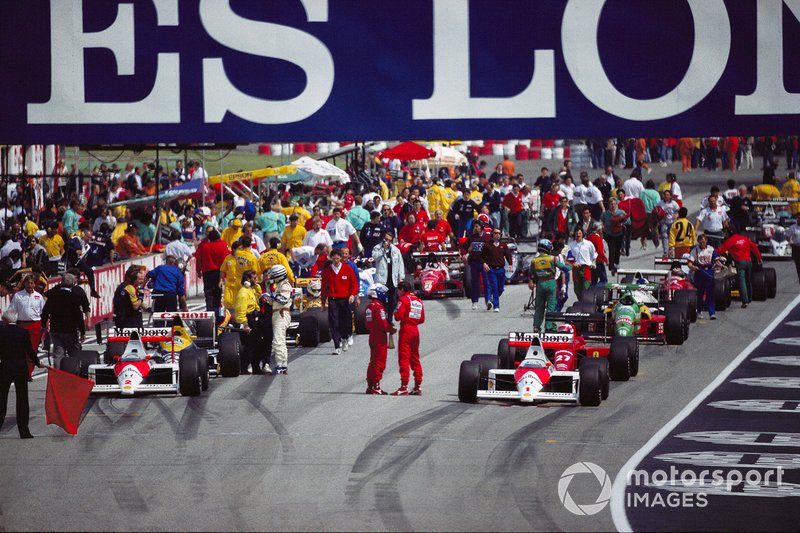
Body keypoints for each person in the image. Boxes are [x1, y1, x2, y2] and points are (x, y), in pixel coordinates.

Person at [0, 309, 44, 439]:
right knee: (22, 400)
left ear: (5, 320)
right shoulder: (23, 332)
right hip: (20, 368)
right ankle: (24, 431)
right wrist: (37, 363)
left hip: (5, 368)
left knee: (2, 399)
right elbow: (29, 351)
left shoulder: (1, 332)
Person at [41, 272, 87, 368]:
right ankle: (74, 373)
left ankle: (58, 374)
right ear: (72, 284)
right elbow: (79, 316)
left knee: (58, 354)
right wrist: (82, 331)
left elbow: (45, 311)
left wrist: (43, 325)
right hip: (70, 330)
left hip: (55, 329)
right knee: (73, 353)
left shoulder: (53, 296)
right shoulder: (74, 297)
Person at [321, 248, 359, 355]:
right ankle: (337, 345)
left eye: (338, 259)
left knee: (345, 320)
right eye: (334, 259)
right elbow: (324, 288)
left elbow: (354, 283)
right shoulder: (327, 271)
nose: (336, 261)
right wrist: (323, 303)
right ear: (331, 259)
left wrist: (352, 294)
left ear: (341, 258)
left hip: (345, 299)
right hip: (333, 299)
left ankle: (345, 337)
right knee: (334, 322)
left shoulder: (347, 269)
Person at [528, 239, 570, 331]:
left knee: (539, 307)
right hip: (551, 283)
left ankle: (536, 327)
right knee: (551, 306)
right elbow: (564, 268)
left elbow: (531, 274)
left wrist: (531, 281)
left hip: (540, 284)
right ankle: (549, 327)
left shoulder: (534, 261)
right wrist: (571, 266)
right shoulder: (552, 258)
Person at [391, 280, 424, 396]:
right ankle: (417, 386)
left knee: (404, 358)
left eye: (398, 290)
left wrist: (395, 313)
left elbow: (398, 316)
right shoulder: (418, 300)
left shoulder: (403, 299)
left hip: (406, 330)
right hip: (415, 330)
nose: (397, 293)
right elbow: (422, 319)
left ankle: (404, 386)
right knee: (415, 359)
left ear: (402, 289)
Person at [9, 275, 45, 379]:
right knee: (20, 350)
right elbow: (12, 310)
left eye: (32, 283)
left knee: (32, 350)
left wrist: (45, 326)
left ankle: (29, 373)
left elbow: (43, 313)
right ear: (24, 283)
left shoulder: (39, 297)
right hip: (21, 325)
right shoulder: (18, 296)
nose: (30, 285)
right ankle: (20, 372)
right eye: (28, 283)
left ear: (34, 284)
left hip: (35, 325)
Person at [717, 231, 763, 309]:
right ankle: (749, 298)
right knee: (748, 280)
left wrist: (711, 253)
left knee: (742, 281)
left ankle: (745, 301)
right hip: (749, 261)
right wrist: (759, 258)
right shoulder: (745, 238)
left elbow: (720, 250)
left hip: (740, 262)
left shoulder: (731, 240)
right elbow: (754, 247)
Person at [262, 265, 292, 375]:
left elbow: (283, 300)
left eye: (273, 275)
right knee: (281, 340)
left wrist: (273, 295)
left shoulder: (284, 285)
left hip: (281, 313)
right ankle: (283, 364)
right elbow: (273, 301)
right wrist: (268, 294)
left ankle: (280, 365)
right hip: (277, 313)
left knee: (278, 340)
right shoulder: (279, 285)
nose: (271, 277)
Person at [365, 283, 394, 395]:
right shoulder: (379, 307)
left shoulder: (369, 306)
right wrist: (390, 329)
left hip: (372, 335)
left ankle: (370, 385)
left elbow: (367, 324)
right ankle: (376, 386)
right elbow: (383, 324)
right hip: (380, 337)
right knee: (380, 362)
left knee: (372, 362)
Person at [688, 234, 723, 320]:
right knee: (700, 293)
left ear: (706, 241)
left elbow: (716, 260)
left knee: (710, 293)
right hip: (700, 271)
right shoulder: (695, 250)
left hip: (709, 272)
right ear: (698, 242)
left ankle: (712, 313)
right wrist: (693, 267)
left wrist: (720, 265)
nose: (702, 243)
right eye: (701, 242)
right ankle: (699, 311)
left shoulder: (711, 249)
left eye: (704, 241)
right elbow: (689, 263)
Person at [234, 269, 263, 374]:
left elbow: (259, 295)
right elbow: (240, 310)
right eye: (254, 278)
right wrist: (245, 325)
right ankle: (244, 367)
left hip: (255, 319)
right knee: (249, 345)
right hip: (249, 320)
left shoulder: (251, 290)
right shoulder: (243, 293)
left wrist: (256, 285)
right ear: (247, 279)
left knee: (257, 344)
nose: (257, 280)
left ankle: (255, 367)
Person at [195, 227, 230, 311]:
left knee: (208, 293)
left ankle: (209, 310)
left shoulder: (204, 247)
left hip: (207, 272)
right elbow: (226, 258)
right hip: (218, 272)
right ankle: (217, 310)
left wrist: (198, 270)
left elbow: (199, 258)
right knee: (218, 292)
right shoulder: (222, 245)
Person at [371, 232, 405, 318]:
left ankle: (390, 318)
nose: (388, 242)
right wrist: (383, 250)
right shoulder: (377, 248)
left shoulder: (396, 250)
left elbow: (400, 264)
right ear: (383, 239)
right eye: (386, 239)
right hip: (382, 279)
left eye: (390, 240)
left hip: (392, 279)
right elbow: (375, 257)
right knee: (381, 300)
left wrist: (401, 277)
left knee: (392, 301)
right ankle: (382, 318)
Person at [481, 228, 513, 312]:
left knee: (500, 289)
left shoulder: (503, 245)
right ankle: (496, 306)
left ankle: (492, 300)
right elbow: (482, 256)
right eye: (495, 233)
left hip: (501, 270)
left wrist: (510, 265)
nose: (497, 235)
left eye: (499, 233)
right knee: (494, 287)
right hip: (492, 269)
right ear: (492, 234)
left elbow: (508, 255)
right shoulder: (487, 245)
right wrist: (484, 263)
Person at [112, 265, 145, 329]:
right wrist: (141, 297)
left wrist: (146, 307)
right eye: (139, 279)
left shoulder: (124, 287)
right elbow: (135, 306)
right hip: (128, 321)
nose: (142, 281)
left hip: (125, 318)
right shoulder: (129, 288)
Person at [601, 197, 629, 274]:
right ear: (609, 205)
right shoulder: (605, 214)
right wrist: (602, 227)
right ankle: (611, 266)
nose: (612, 205)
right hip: (609, 235)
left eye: (614, 204)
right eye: (611, 204)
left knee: (617, 250)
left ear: (616, 204)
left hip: (619, 234)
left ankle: (616, 263)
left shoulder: (621, 212)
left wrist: (622, 223)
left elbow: (628, 221)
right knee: (611, 250)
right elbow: (602, 222)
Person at [569, 228, 597, 301]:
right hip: (576, 269)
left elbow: (594, 254)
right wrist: (572, 264)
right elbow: (567, 258)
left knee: (586, 288)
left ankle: (586, 303)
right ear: (574, 234)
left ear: (582, 234)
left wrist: (593, 263)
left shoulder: (588, 244)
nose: (578, 235)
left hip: (586, 268)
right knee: (577, 289)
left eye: (579, 233)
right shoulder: (571, 245)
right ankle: (581, 302)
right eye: (576, 234)